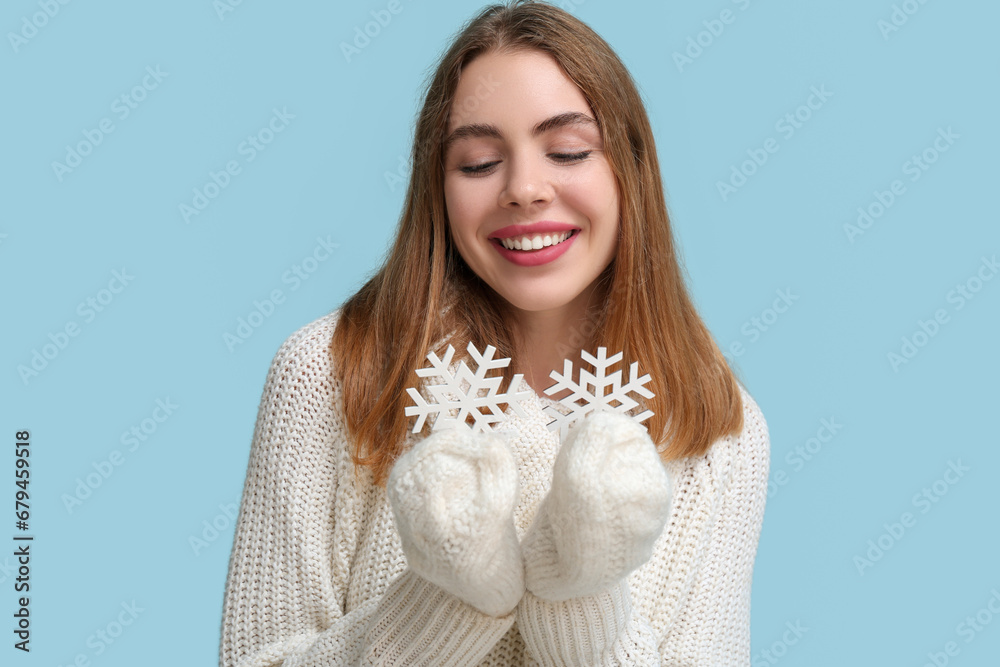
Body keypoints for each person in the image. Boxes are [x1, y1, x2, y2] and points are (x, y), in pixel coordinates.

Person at [219, 1, 770, 665]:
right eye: (479, 163)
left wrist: (578, 589)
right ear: (438, 188)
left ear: (628, 170)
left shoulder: (719, 428)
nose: (525, 188)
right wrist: (454, 592)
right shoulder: (330, 373)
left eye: (567, 151)